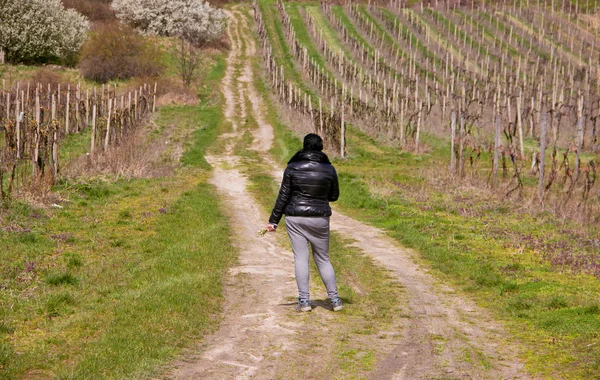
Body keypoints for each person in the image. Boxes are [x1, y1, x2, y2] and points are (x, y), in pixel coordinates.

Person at [266, 133, 342, 312]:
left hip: (295, 217)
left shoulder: (292, 167)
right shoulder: (329, 169)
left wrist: (273, 221)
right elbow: (334, 196)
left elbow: (283, 196)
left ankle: (304, 302)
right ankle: (335, 300)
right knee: (323, 259)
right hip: (320, 218)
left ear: (304, 146)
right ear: (321, 147)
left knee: (301, 258)